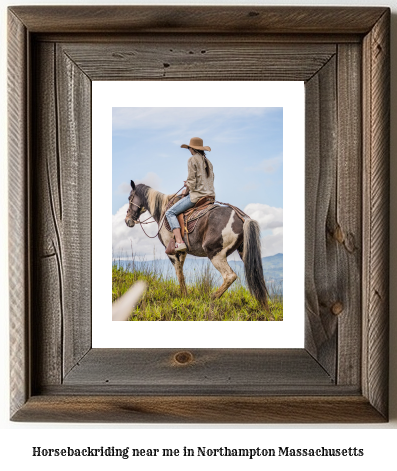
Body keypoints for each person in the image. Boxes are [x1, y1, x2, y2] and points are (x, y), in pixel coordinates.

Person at [165, 137, 215, 252]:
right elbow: (209, 180)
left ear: (192, 149)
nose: (189, 150)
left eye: (189, 148)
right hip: (210, 197)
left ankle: (179, 242)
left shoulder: (192, 160)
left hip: (197, 196)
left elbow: (192, 183)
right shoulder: (208, 162)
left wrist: (186, 189)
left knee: (170, 212)